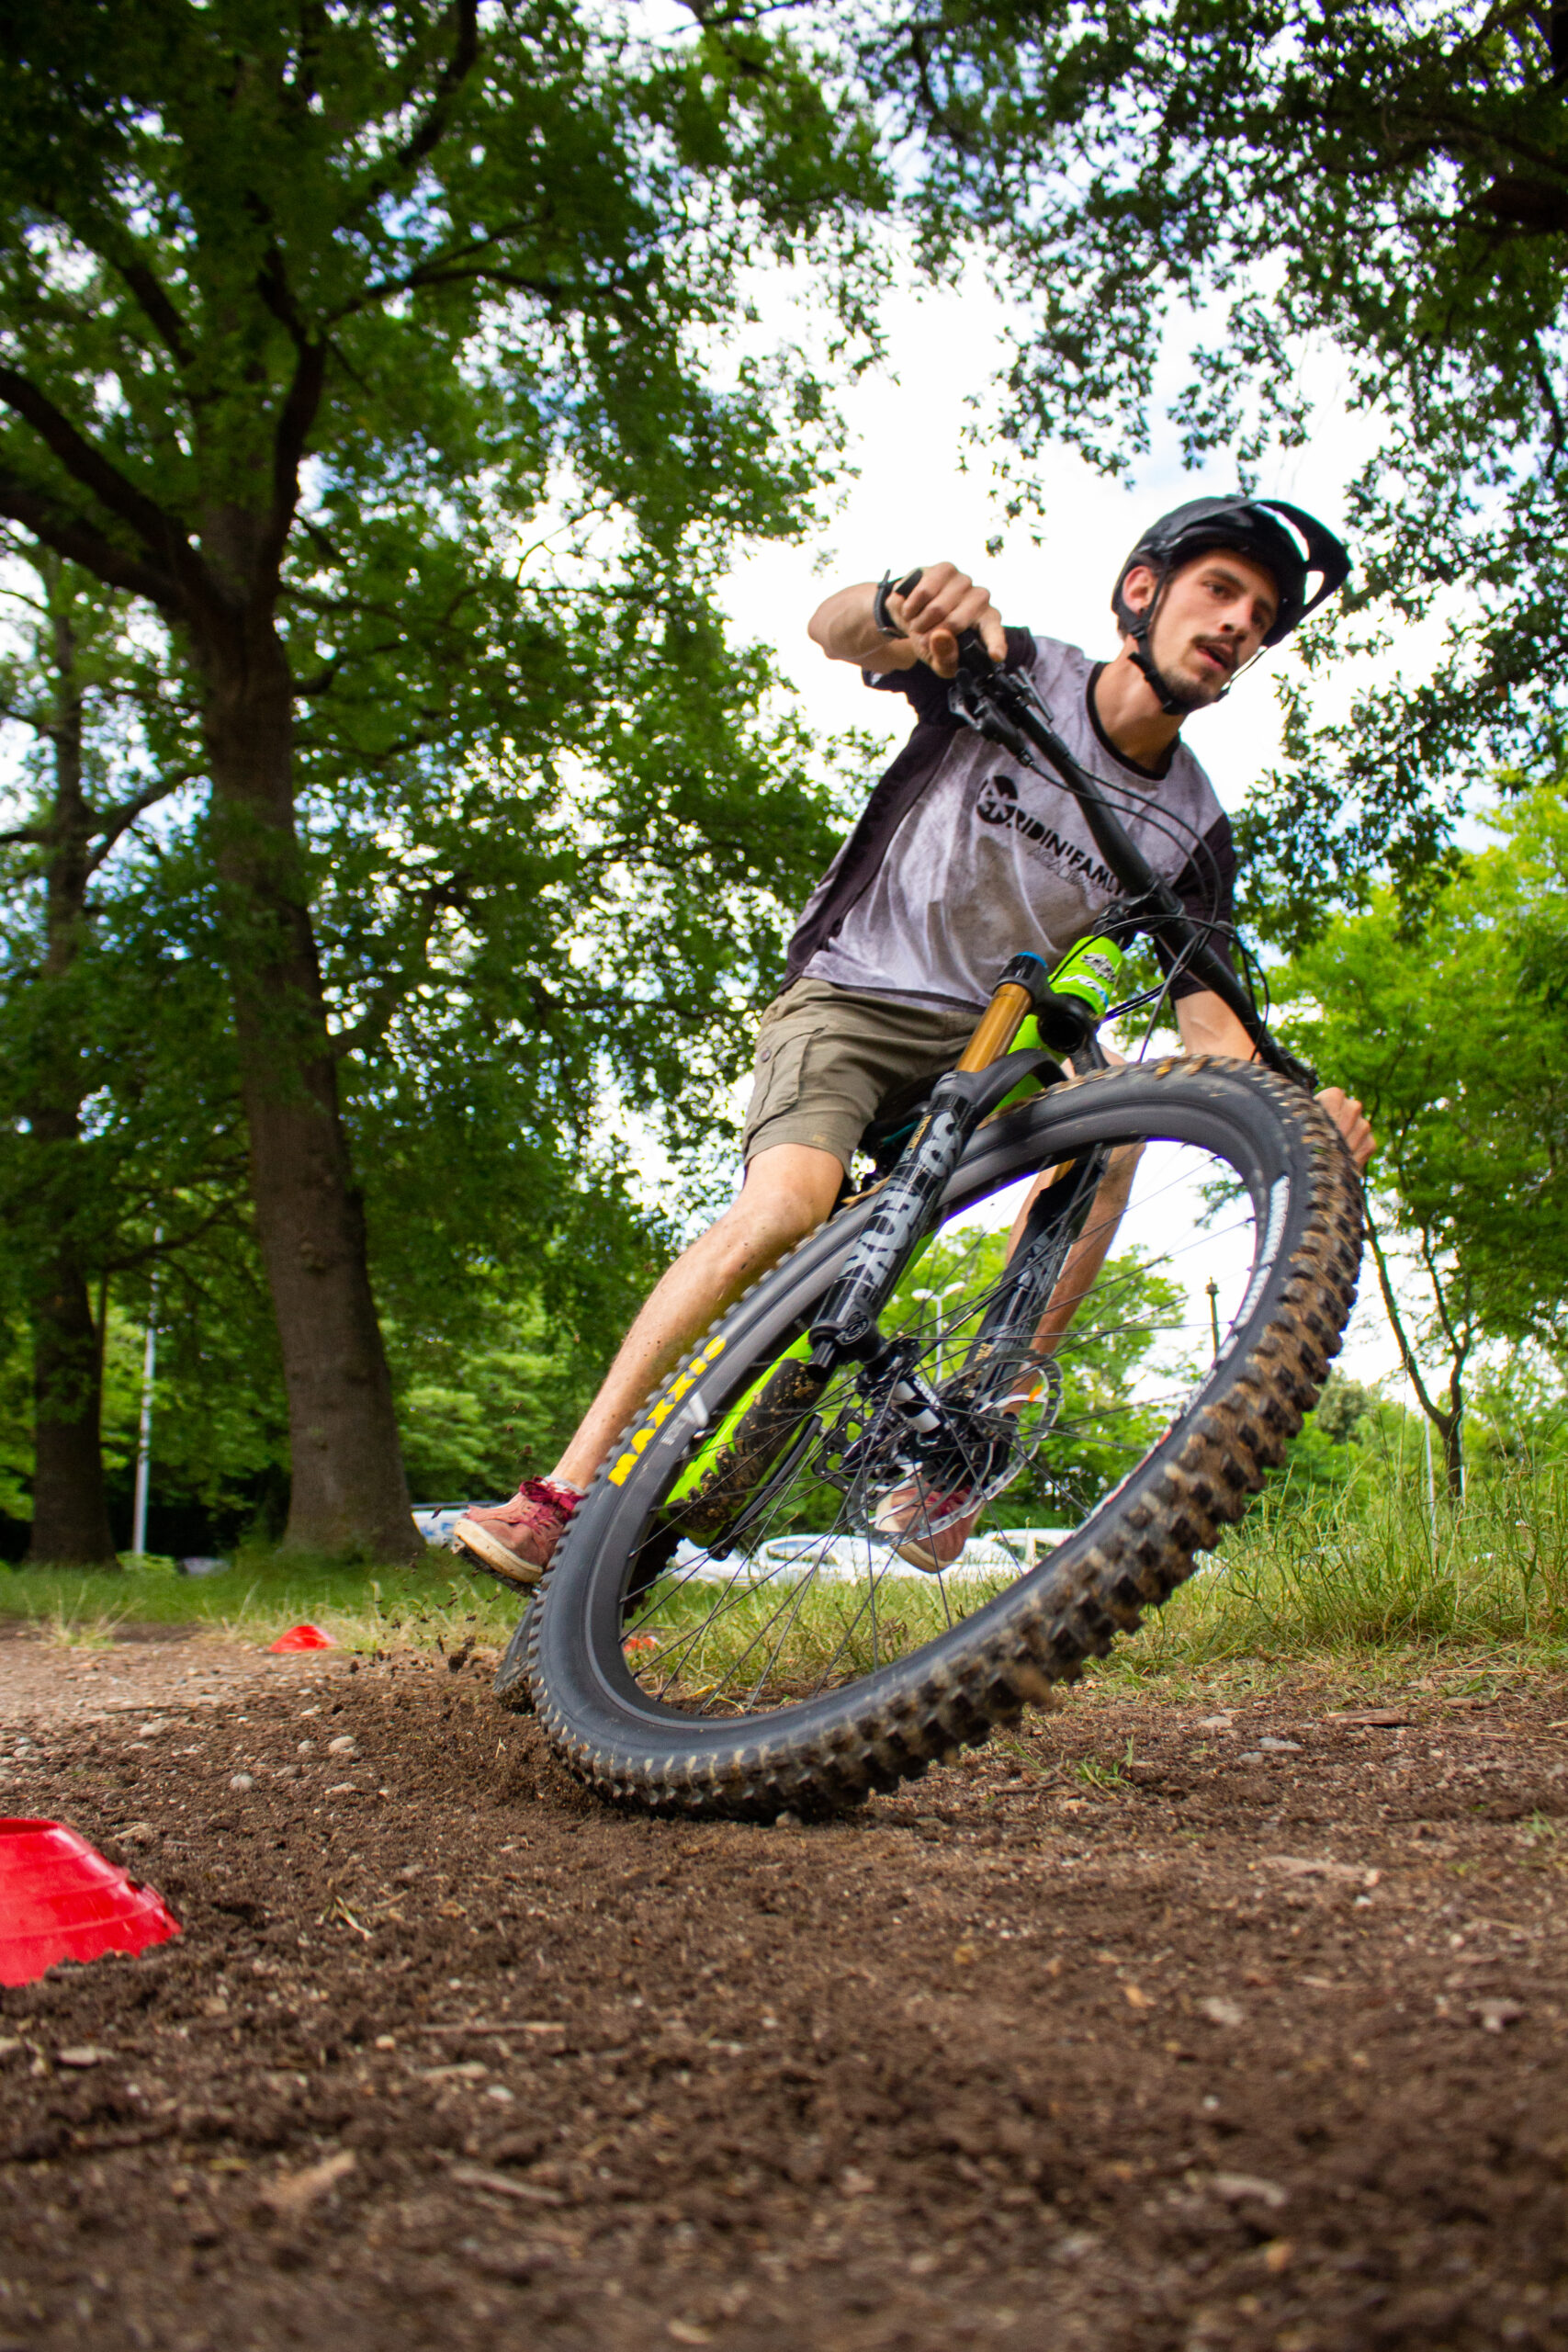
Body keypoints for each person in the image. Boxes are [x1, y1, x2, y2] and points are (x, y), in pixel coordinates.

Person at [453, 494, 1376, 1589]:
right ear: (1145, 592)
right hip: (851, 996)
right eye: (1219, 590)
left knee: (1116, 1128)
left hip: (988, 1039)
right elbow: (834, 627)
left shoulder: (1191, 822)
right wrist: (903, 598)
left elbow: (1211, 1033)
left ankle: (966, 1442)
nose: (1236, 623)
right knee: (790, 1204)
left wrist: (1293, 1114)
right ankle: (560, 1494)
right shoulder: (1017, 665)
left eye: (1260, 615)